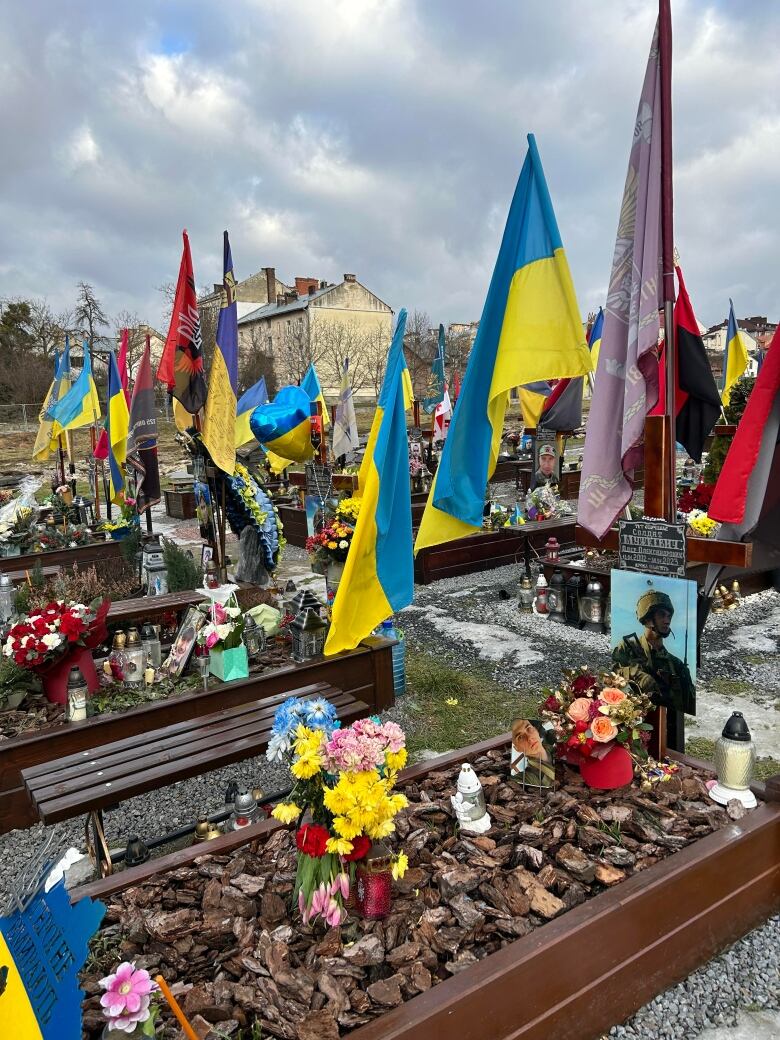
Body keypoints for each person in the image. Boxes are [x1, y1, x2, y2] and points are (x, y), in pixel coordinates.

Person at [612, 590, 695, 716]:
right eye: (662, 615)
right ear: (648, 619)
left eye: (669, 616)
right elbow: (610, 675)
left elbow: (689, 704)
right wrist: (638, 675)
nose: (667, 621)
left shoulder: (677, 665)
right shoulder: (628, 648)